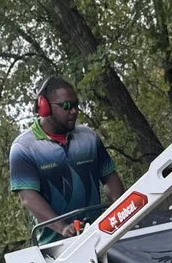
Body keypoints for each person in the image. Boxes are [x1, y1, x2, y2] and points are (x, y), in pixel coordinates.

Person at [9, 77, 125, 244]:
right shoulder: (24, 148)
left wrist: (121, 212)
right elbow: (28, 197)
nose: (74, 111)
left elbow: (109, 177)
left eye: (76, 105)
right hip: (55, 247)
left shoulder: (89, 138)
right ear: (44, 107)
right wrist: (62, 227)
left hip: (100, 237)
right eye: (66, 106)